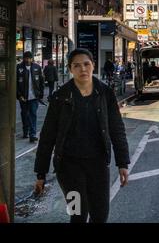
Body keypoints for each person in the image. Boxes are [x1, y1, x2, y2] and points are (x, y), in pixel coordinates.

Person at [34, 48, 130, 223]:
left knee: (100, 216)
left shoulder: (105, 93)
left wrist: (122, 163)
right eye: (76, 65)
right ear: (70, 69)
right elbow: (47, 136)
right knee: (78, 214)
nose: (82, 69)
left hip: (98, 165)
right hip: (68, 167)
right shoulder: (59, 97)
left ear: (93, 65)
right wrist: (41, 173)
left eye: (86, 64)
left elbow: (117, 129)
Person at [17, 51, 44, 143]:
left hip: (34, 97)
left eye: (29, 58)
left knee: (33, 114)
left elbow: (41, 81)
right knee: (24, 114)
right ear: (24, 58)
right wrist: (19, 95)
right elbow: (15, 83)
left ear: (32, 58)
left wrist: (41, 94)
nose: (28, 60)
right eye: (26, 58)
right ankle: (26, 131)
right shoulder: (18, 68)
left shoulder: (37, 67)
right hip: (23, 97)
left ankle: (32, 134)